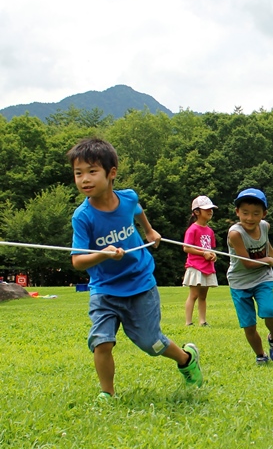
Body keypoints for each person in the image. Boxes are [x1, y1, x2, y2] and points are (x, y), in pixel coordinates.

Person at [67, 137, 202, 400]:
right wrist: (102, 254)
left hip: (140, 283)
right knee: (101, 342)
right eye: (78, 173)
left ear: (111, 173)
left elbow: (137, 209)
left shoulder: (127, 198)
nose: (84, 179)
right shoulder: (82, 217)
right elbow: (77, 261)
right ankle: (107, 394)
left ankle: (187, 359)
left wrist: (149, 230)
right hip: (105, 290)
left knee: (151, 344)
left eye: (92, 171)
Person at [227, 188, 273, 364]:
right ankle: (260, 355)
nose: (250, 218)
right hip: (239, 282)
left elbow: (265, 243)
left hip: (262, 278)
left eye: (256, 213)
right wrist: (268, 259)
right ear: (237, 212)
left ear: (263, 214)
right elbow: (248, 263)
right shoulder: (235, 234)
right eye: (245, 213)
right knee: (248, 325)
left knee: (268, 311)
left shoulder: (264, 226)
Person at [183, 195, 219, 326]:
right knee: (194, 295)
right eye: (206, 209)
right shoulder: (192, 229)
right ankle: (188, 322)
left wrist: (212, 255)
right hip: (195, 266)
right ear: (197, 212)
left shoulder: (210, 231)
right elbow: (186, 248)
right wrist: (203, 253)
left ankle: (202, 321)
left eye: (211, 209)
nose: (210, 211)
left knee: (203, 296)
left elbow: (210, 248)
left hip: (207, 267)